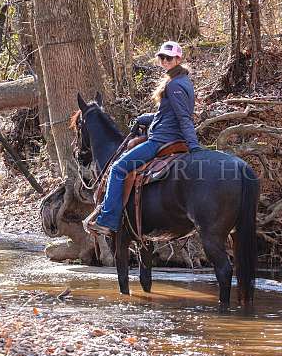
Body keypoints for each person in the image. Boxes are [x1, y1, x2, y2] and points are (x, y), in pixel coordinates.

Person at [86, 41, 202, 236]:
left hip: (161, 141)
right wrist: (145, 118)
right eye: (162, 57)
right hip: (167, 134)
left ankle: (108, 220)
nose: (164, 61)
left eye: (169, 58)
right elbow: (167, 114)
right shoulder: (181, 81)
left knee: (118, 168)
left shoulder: (174, 85)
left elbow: (183, 117)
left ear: (178, 59)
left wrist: (194, 147)